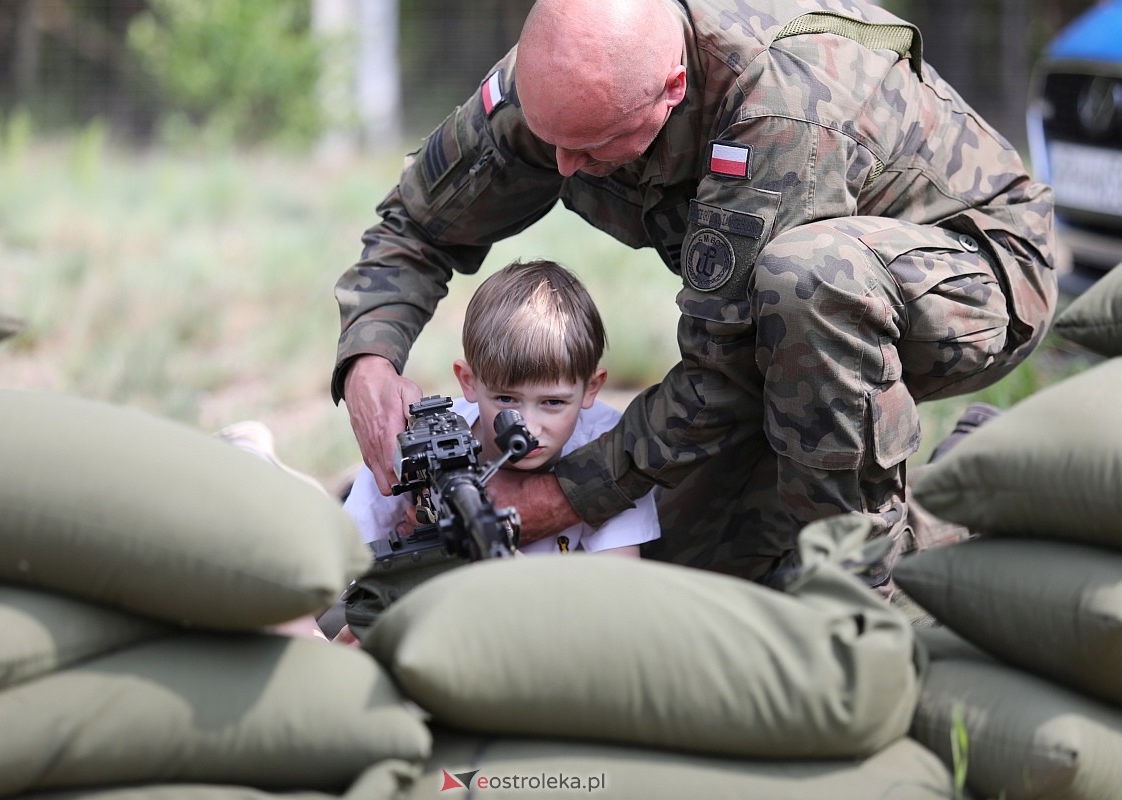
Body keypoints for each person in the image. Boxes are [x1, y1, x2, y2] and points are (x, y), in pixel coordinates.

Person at [332, 0, 1058, 592]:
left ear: (671, 89)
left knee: (808, 279)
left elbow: (726, 374)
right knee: (683, 567)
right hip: (788, 326)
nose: (561, 165)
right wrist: (368, 359)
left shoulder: (778, 113)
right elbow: (416, 221)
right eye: (550, 139)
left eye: (590, 147)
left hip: (974, 275)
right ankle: (952, 479)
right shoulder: (559, 80)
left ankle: (872, 569)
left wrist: (564, 496)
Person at [334, 259, 660, 644]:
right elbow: (336, 559)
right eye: (506, 399)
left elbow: (619, 594)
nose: (528, 426)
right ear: (469, 381)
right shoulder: (426, 441)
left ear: (592, 388)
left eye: (553, 402)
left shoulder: (609, 449)